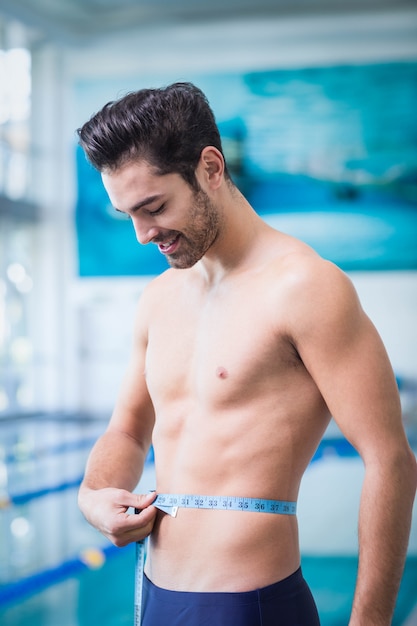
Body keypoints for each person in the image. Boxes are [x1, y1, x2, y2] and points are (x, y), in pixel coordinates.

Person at [76, 82, 416, 626]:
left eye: (154, 207)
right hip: (155, 595)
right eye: (127, 215)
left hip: (250, 603)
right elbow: (127, 430)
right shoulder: (159, 297)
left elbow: (390, 459)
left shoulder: (306, 288)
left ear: (211, 167)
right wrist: (93, 495)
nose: (142, 235)